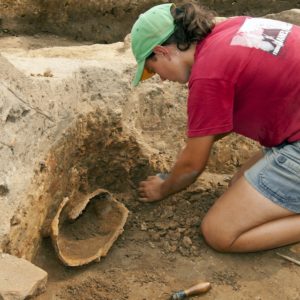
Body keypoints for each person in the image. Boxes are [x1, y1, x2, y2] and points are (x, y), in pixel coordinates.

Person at [130, 2, 300, 253]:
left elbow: (191, 168)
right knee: (238, 183)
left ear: (162, 51)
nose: (160, 78)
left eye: (151, 69)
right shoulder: (232, 29)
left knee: (220, 232)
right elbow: (219, 123)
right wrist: (197, 142)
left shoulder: (208, 75)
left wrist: (163, 188)